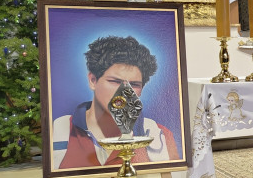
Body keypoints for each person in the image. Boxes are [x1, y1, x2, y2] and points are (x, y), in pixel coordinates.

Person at [51, 36, 179, 170]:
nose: (124, 92)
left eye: (134, 84)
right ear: (93, 81)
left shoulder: (158, 135)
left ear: (142, 89)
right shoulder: (60, 130)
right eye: (115, 81)